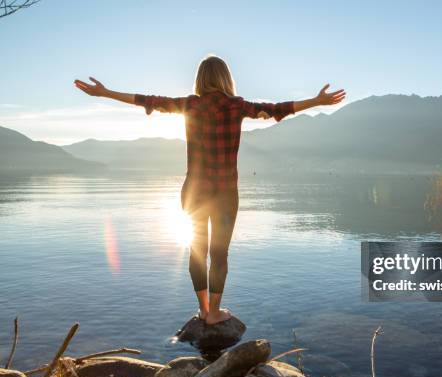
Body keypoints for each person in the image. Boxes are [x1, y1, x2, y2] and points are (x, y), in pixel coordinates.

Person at [74, 55, 345, 324]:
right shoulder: (236, 106)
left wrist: (106, 93)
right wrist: (317, 101)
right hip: (226, 192)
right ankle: (215, 312)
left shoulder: (190, 105)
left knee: (197, 249)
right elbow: (277, 108)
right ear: (226, 78)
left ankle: (203, 310)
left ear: (200, 79)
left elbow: (147, 100)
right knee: (219, 253)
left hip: (194, 190)